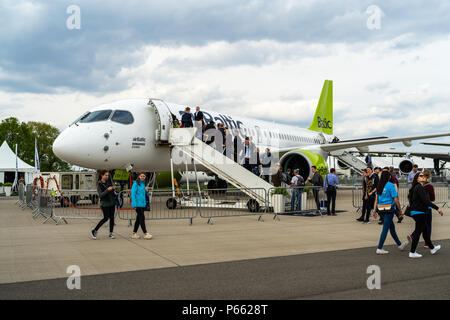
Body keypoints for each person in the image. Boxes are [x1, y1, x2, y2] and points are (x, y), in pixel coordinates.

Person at [407, 172, 443, 258]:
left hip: (418, 212)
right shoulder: (419, 187)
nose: (423, 177)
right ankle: (412, 252)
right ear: (417, 178)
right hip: (419, 212)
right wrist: (437, 208)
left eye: (424, 176)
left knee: (425, 231)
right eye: (421, 176)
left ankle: (432, 248)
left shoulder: (418, 187)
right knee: (418, 232)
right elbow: (426, 201)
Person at [372, 171, 408, 254]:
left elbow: (376, 199)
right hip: (389, 209)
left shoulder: (379, 186)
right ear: (388, 177)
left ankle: (400, 244)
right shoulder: (391, 185)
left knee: (392, 227)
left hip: (381, 210)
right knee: (385, 229)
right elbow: (395, 199)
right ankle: (379, 248)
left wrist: (374, 210)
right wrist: (399, 210)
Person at [91, 170, 116, 240]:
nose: (107, 176)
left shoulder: (109, 182)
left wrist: (113, 188)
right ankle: (94, 230)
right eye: (106, 175)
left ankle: (111, 233)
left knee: (112, 218)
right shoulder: (99, 184)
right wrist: (108, 190)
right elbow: (101, 195)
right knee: (106, 218)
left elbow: (112, 190)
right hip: (105, 203)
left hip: (112, 202)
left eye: (108, 175)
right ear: (102, 175)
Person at [131, 173, 153, 240]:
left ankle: (134, 233)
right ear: (139, 177)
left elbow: (145, 194)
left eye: (144, 176)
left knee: (138, 219)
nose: (142, 177)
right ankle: (145, 233)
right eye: (141, 176)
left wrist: (147, 191)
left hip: (142, 204)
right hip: (137, 204)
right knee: (142, 218)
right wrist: (134, 205)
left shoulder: (143, 184)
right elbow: (133, 194)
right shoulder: (135, 184)